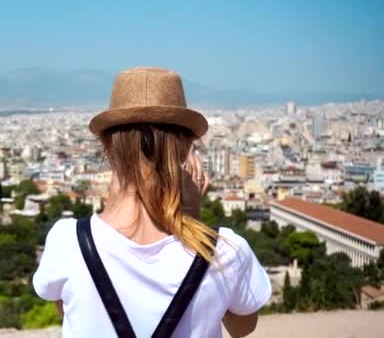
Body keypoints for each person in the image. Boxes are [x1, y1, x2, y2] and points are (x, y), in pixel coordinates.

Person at [33, 67, 271, 337]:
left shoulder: (69, 243)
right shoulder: (225, 252)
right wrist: (191, 215)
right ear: (186, 148)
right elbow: (241, 328)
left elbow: (71, 311)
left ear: (108, 149)